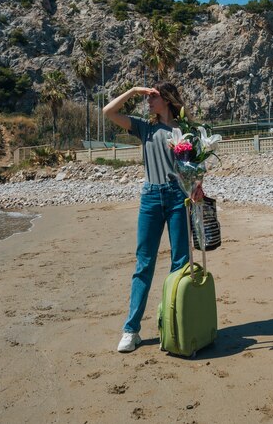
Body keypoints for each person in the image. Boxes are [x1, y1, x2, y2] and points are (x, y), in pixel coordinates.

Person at [103, 81, 203, 353]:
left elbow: (195, 166)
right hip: (150, 197)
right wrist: (134, 91)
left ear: (168, 100)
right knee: (143, 264)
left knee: (180, 264)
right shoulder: (144, 127)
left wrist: (197, 186)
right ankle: (131, 330)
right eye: (147, 97)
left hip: (177, 197)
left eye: (154, 96)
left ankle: (175, 324)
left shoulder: (186, 131)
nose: (148, 101)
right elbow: (108, 112)